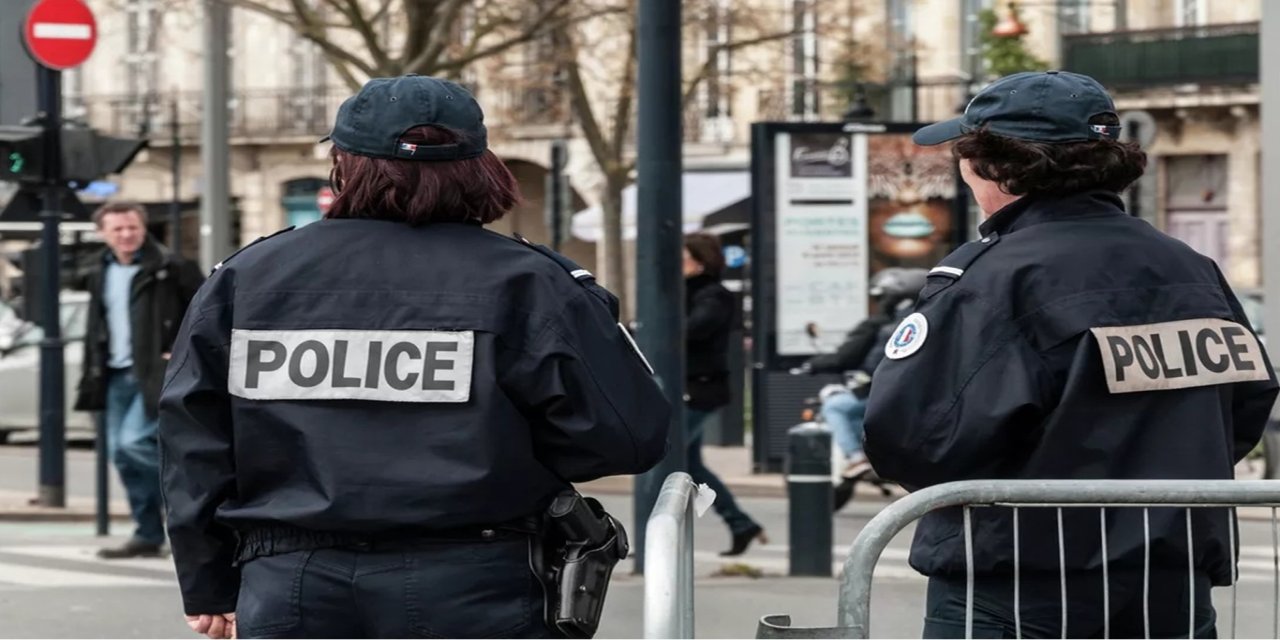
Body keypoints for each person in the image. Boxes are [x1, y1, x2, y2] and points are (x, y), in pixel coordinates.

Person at [159, 74, 670, 640]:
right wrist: (509, 448)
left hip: (291, 583)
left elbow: (194, 441)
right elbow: (628, 434)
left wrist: (208, 582)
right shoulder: (530, 282)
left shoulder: (248, 278)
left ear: (345, 164)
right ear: (479, 165)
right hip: (476, 581)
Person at [864, 71, 1279, 639]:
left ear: (994, 165)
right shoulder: (1188, 267)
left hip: (1021, 586)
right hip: (1171, 583)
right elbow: (1246, 403)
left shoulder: (995, 278)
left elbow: (912, 437)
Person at [73, 201, 204, 559]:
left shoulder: (171, 267)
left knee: (133, 444)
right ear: (103, 234)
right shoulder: (99, 270)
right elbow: (97, 326)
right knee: (122, 456)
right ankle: (147, 533)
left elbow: (207, 312)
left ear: (144, 228)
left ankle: (197, 498)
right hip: (113, 374)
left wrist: (178, 351)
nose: (126, 235)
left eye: (132, 227)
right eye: (118, 229)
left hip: (154, 374)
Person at [683, 232, 766, 557]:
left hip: (699, 388)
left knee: (671, 462)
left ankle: (738, 523)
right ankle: (740, 523)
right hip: (693, 387)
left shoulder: (712, 295)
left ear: (699, 261)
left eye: (683, 256)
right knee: (689, 465)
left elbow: (694, 329)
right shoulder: (689, 292)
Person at [799, 268, 926, 477]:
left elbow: (877, 365)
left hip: (894, 397)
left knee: (835, 407)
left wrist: (863, 381)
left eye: (881, 298)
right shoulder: (930, 323)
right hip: (922, 397)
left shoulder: (891, 328)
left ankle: (856, 458)